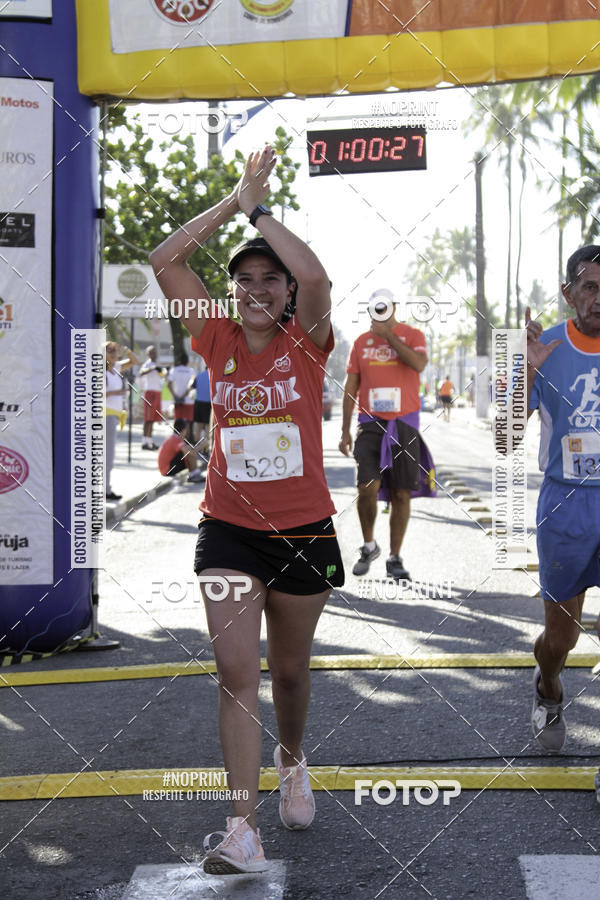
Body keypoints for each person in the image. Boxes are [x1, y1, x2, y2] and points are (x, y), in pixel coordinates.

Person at [149, 146, 344, 874]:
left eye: (270, 279)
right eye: (245, 280)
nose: (257, 289)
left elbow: (318, 277)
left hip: (304, 532)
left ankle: (293, 761)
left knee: (288, 673)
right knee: (236, 673)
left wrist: (259, 211)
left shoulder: (308, 341)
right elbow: (166, 258)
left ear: (287, 294)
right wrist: (232, 203)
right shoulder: (216, 336)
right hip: (228, 530)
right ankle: (242, 830)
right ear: (230, 293)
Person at [526, 245, 600, 752]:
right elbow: (506, 438)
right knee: (561, 640)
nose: (599, 298)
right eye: (590, 287)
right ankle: (548, 683)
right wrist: (527, 371)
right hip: (565, 506)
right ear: (568, 293)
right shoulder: (545, 347)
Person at [339, 297, 431, 582]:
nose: (379, 314)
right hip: (370, 423)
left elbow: (419, 364)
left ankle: (395, 557)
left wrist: (389, 336)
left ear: (393, 309)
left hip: (404, 423)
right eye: (374, 310)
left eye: (384, 308)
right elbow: (351, 386)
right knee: (366, 485)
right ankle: (369, 545)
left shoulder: (413, 335)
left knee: (401, 493)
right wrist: (344, 429)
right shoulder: (360, 343)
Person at [105, 341, 137, 501]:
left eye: (115, 351)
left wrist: (127, 351)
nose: (113, 354)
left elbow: (133, 362)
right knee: (106, 455)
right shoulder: (101, 372)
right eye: (110, 351)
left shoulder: (116, 368)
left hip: (113, 417)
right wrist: (117, 392)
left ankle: (106, 488)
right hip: (105, 416)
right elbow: (96, 394)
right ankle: (105, 490)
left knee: (108, 455)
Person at [157, 418, 205, 483]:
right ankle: (194, 475)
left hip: (166, 468)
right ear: (183, 430)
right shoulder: (176, 439)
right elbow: (191, 452)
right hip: (167, 470)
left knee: (188, 448)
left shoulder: (175, 437)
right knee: (189, 452)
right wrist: (203, 445)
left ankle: (194, 473)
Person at [138, 345, 166, 450]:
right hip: (150, 393)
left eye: (155, 352)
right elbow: (141, 372)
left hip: (158, 392)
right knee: (148, 419)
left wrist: (162, 371)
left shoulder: (158, 364)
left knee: (153, 419)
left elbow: (162, 376)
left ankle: (149, 440)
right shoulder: (147, 364)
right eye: (152, 352)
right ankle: (144, 442)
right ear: (148, 354)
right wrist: (152, 368)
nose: (154, 354)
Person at [190, 362, 211, 456]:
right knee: (208, 428)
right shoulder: (213, 375)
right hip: (209, 404)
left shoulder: (198, 376)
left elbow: (192, 387)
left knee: (198, 426)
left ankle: (197, 447)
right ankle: (206, 448)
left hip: (198, 403)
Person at [168, 351, 196, 422]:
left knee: (178, 423)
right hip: (188, 401)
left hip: (177, 401)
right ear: (187, 361)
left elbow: (169, 385)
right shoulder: (191, 371)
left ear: (179, 361)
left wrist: (176, 396)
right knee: (187, 423)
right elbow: (191, 386)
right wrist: (183, 396)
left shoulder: (174, 370)